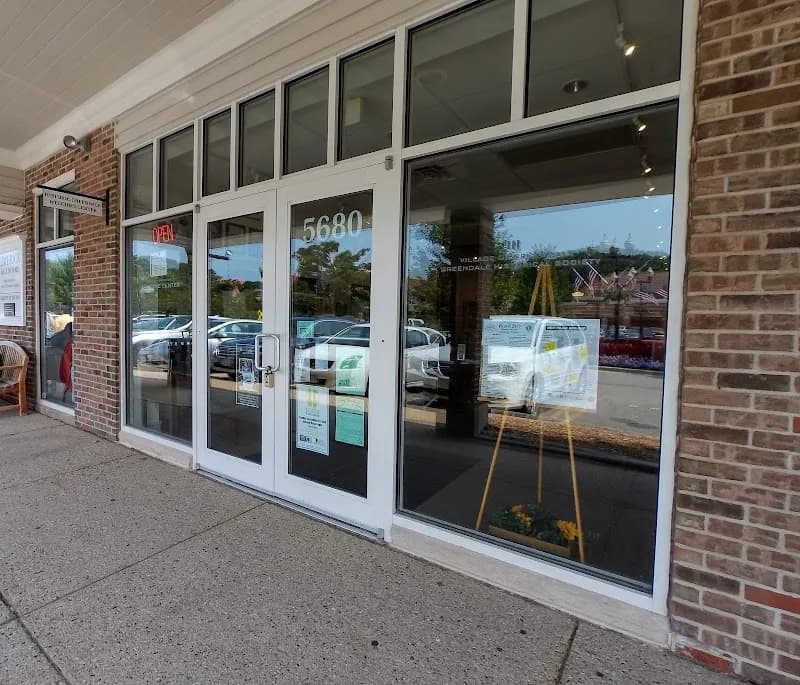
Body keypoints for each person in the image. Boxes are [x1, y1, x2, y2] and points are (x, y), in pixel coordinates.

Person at [58, 323, 73, 401]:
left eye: (67, 333)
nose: (66, 335)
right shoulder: (68, 345)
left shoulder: (70, 346)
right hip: (66, 370)